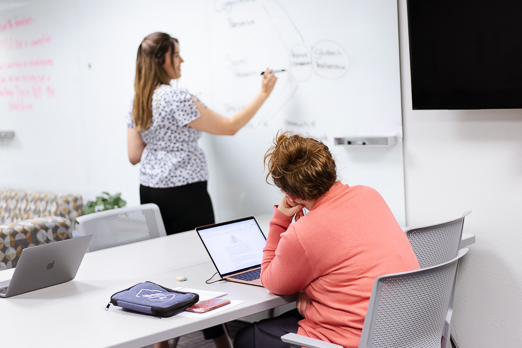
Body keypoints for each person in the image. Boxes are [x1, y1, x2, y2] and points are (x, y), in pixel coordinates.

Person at [126, 32, 277, 348]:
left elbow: (133, 155)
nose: (182, 60)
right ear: (161, 60)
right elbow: (230, 126)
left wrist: (160, 141)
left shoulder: (138, 100)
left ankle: (160, 341)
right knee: (201, 267)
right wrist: (263, 93)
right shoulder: (177, 98)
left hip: (151, 192)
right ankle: (217, 336)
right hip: (186, 192)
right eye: (176, 54)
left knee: (166, 267)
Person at [233, 132, 420, 348]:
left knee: (248, 338)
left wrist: (281, 220)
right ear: (330, 167)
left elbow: (271, 281)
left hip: (355, 340)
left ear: (289, 194)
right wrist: (308, 294)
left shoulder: (303, 233)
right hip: (403, 330)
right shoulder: (369, 194)